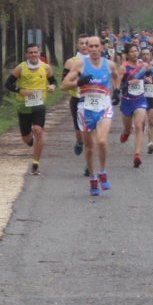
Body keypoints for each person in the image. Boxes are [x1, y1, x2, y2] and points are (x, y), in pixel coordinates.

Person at [61, 36, 122, 196]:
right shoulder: (80, 64)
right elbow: (63, 85)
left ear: (101, 47)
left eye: (96, 46)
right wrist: (78, 82)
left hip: (104, 106)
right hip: (85, 107)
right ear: (87, 48)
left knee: (101, 141)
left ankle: (102, 172)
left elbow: (116, 76)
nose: (94, 49)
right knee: (89, 147)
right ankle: (93, 178)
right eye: (90, 46)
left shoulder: (109, 64)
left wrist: (116, 91)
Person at [5, 43, 56, 175]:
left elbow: (53, 81)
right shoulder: (20, 68)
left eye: (35, 52)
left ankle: (36, 163)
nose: (33, 55)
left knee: (38, 130)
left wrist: (52, 87)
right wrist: (20, 90)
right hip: (24, 106)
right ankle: (30, 141)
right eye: (31, 53)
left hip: (39, 105)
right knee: (26, 138)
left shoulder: (46, 68)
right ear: (26, 55)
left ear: (39, 53)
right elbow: (8, 84)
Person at [116, 44, 148, 167]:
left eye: (136, 51)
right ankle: (125, 133)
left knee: (139, 125)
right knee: (128, 130)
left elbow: (149, 74)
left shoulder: (143, 66)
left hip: (140, 99)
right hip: (127, 101)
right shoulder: (123, 68)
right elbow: (118, 86)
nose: (135, 53)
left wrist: (150, 79)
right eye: (132, 51)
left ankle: (137, 154)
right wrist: (128, 82)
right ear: (128, 54)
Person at [62, 34, 91, 163]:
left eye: (87, 43)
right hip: (77, 99)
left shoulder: (97, 61)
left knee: (91, 133)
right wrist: (78, 82)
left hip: (93, 99)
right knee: (80, 134)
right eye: (81, 43)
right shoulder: (70, 62)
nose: (84, 46)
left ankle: (88, 163)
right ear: (77, 45)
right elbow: (63, 84)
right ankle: (79, 141)